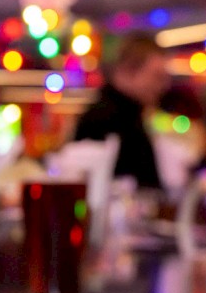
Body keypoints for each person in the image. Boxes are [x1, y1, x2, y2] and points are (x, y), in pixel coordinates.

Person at [73, 33, 171, 190]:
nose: (163, 86)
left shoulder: (130, 115)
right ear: (128, 70)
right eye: (157, 76)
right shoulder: (103, 118)